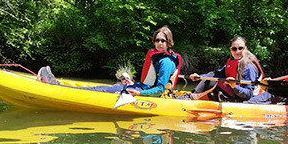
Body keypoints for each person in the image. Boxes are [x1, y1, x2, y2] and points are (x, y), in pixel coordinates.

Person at [37, 26, 182, 97]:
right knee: (101, 88)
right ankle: (58, 85)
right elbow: (150, 82)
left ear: (169, 42)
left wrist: (139, 94)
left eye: (163, 40)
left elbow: (160, 89)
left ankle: (57, 87)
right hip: (140, 87)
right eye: (157, 40)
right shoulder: (157, 57)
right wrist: (133, 84)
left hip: (144, 93)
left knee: (100, 90)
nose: (160, 43)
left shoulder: (166, 62)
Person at [182, 36, 264, 102]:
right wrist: (199, 77)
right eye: (234, 49)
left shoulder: (249, 67)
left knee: (217, 80)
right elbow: (216, 74)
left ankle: (193, 97)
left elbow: (248, 94)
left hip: (244, 99)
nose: (237, 51)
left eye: (240, 48)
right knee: (213, 75)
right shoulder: (232, 62)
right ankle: (194, 94)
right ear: (230, 50)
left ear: (245, 48)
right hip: (234, 94)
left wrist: (234, 86)